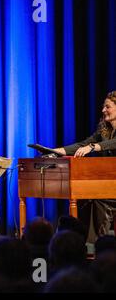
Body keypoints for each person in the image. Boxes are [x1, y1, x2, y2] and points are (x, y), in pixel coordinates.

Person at [51, 91, 116, 242]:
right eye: (103, 107)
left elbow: (111, 143)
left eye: (108, 107)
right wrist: (55, 151)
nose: (103, 110)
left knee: (100, 199)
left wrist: (94, 147)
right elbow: (83, 144)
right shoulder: (104, 130)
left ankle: (98, 245)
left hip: (112, 187)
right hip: (108, 183)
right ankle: (75, 243)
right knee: (83, 198)